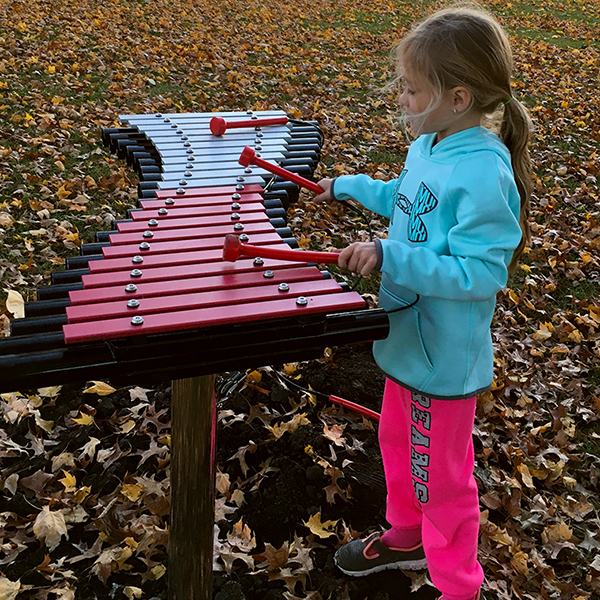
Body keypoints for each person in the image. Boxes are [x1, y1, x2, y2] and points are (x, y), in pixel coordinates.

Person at [313, 7, 533, 600]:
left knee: (443, 479)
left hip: (444, 358)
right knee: (396, 444)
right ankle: (407, 535)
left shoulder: (485, 174)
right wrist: (351, 187)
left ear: (458, 97)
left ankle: (459, 586)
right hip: (407, 339)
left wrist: (391, 257)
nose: (402, 99)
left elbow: (483, 273)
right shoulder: (432, 144)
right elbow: (408, 201)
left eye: (412, 90)